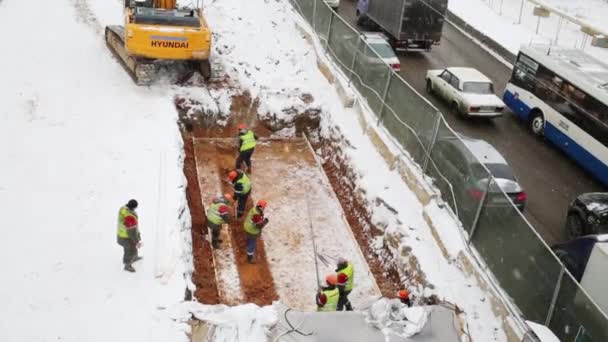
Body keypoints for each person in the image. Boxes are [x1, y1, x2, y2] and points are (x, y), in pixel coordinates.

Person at [116, 199, 142, 273]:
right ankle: (127, 265)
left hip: (121, 234)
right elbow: (131, 233)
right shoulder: (129, 217)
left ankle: (135, 257)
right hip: (125, 237)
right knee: (130, 250)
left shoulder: (123, 208)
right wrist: (137, 241)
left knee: (131, 247)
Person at [243, 199, 269, 263]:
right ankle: (250, 258)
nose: (264, 208)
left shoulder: (254, 209)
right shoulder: (257, 215)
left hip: (247, 226)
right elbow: (259, 226)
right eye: (264, 207)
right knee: (252, 244)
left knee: (249, 240)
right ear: (262, 207)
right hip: (251, 231)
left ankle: (248, 242)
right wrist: (265, 221)